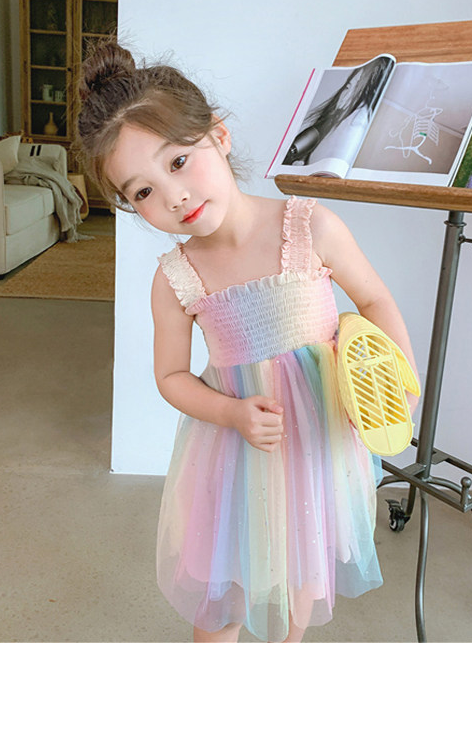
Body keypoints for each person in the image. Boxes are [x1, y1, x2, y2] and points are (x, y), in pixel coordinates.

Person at [75, 42, 418, 643]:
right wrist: (231, 413)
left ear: (219, 135)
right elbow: (171, 377)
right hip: (235, 449)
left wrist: (399, 385)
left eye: (178, 162)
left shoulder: (310, 227)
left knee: (302, 571)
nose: (173, 196)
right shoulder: (175, 277)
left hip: (318, 439)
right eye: (142, 192)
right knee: (224, 588)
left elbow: (374, 300)